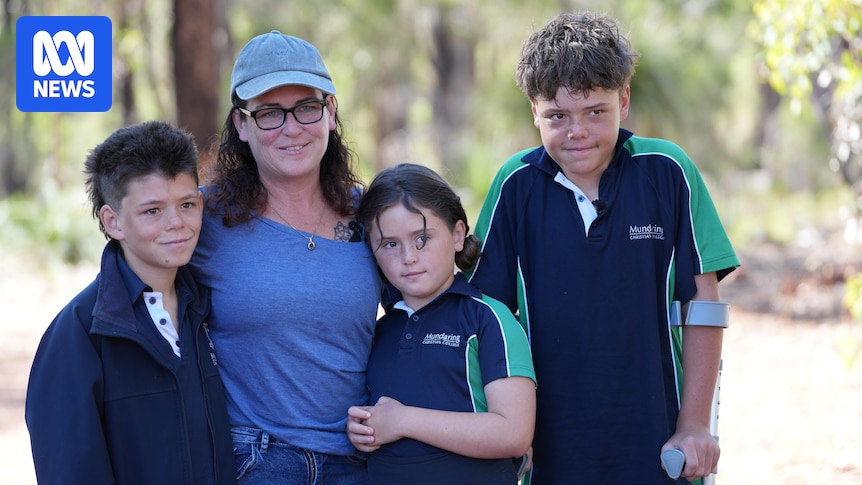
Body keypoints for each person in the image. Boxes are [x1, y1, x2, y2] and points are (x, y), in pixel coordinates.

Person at [465, 12, 741, 485]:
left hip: (656, 433)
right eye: (557, 116)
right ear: (533, 111)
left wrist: (695, 425)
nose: (578, 132)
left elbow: (703, 305)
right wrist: (503, 427)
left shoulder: (668, 172)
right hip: (548, 441)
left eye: (596, 111)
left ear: (624, 100)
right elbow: (485, 317)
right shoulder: (515, 186)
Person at [189, 30, 381, 483]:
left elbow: (430, 311)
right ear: (241, 125)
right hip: (256, 461)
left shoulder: (372, 213)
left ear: (330, 112)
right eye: (270, 114)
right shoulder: (203, 218)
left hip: (361, 460)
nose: (292, 129)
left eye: (307, 108)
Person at [25, 120, 235, 484]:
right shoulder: (78, 335)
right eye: (152, 211)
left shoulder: (208, 311)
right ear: (113, 221)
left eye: (186, 204)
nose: (176, 223)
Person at [345, 163, 536, 485]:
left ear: (457, 234)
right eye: (390, 244)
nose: (409, 257)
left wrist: (404, 420)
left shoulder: (487, 317)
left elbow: (514, 433)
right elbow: (383, 420)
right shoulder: (379, 329)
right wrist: (364, 429)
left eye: (422, 238)